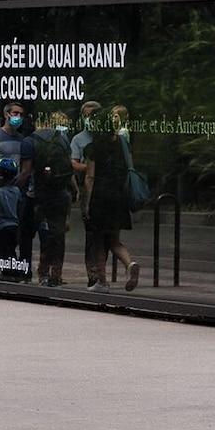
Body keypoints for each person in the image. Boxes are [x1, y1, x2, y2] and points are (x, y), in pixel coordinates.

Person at [76, 104, 139, 291]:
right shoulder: (122, 143)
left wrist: (86, 204)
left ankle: (102, 281)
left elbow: (90, 177)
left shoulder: (93, 147)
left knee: (97, 241)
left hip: (100, 197)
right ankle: (130, 264)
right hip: (118, 196)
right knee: (113, 239)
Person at [0, 101, 38, 281]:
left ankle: (11, 264)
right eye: (15, 113)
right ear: (6, 114)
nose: (18, 117)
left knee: (14, 226)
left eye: (21, 114)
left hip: (15, 188)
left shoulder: (22, 140)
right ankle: (3, 266)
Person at [29, 109, 76, 286]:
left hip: (41, 192)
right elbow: (68, 166)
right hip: (61, 191)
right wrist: (74, 188)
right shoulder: (63, 139)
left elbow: (28, 169)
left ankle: (43, 272)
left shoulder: (33, 139)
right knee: (59, 234)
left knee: (45, 233)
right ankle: (57, 273)